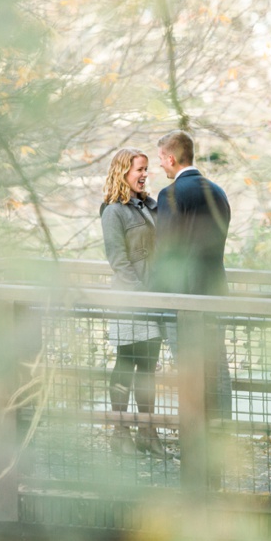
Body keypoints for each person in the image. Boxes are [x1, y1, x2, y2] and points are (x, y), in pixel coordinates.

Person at [152, 130, 232, 418]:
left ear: (171, 158)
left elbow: (166, 253)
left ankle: (195, 439)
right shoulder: (218, 193)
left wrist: (153, 298)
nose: (159, 164)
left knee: (188, 369)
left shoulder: (170, 195)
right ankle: (221, 429)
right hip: (215, 294)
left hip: (182, 299)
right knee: (217, 366)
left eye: (160, 158)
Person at [100, 147, 171, 459]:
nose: (144, 175)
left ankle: (147, 431)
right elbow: (118, 260)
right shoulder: (113, 211)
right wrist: (140, 297)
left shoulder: (150, 207)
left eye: (145, 169)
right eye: (138, 170)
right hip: (129, 302)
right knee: (125, 365)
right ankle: (120, 432)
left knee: (147, 371)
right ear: (122, 172)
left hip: (153, 300)